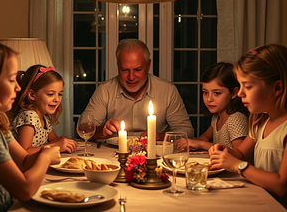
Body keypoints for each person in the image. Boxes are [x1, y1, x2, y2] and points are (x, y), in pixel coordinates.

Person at [0, 38, 61, 212]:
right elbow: (24, 190)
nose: (18, 88)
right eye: (11, 80)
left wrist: (45, 150)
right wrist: (45, 157)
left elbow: (24, 161)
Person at [209, 44, 287, 208]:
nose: (239, 93)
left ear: (277, 88)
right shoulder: (260, 121)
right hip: (258, 201)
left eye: (248, 86)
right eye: (240, 85)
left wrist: (238, 166)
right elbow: (241, 153)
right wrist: (225, 151)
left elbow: (282, 186)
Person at [80, 39, 194, 141]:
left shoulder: (167, 91)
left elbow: (187, 132)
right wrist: (102, 131)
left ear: (148, 66)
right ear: (118, 67)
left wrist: (160, 136)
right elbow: (82, 128)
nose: (131, 77)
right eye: (125, 70)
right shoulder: (105, 90)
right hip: (112, 154)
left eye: (138, 69)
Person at [9, 65, 77, 154]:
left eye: (60, 94)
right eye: (50, 94)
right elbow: (24, 151)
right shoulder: (29, 116)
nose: (57, 99)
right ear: (32, 95)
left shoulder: (44, 117)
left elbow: (54, 140)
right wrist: (57, 146)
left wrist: (62, 140)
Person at [187, 62, 249, 151]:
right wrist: (189, 144)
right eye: (205, 92)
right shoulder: (216, 118)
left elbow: (238, 153)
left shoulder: (236, 119)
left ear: (234, 93)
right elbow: (204, 137)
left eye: (217, 93)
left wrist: (201, 144)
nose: (209, 99)